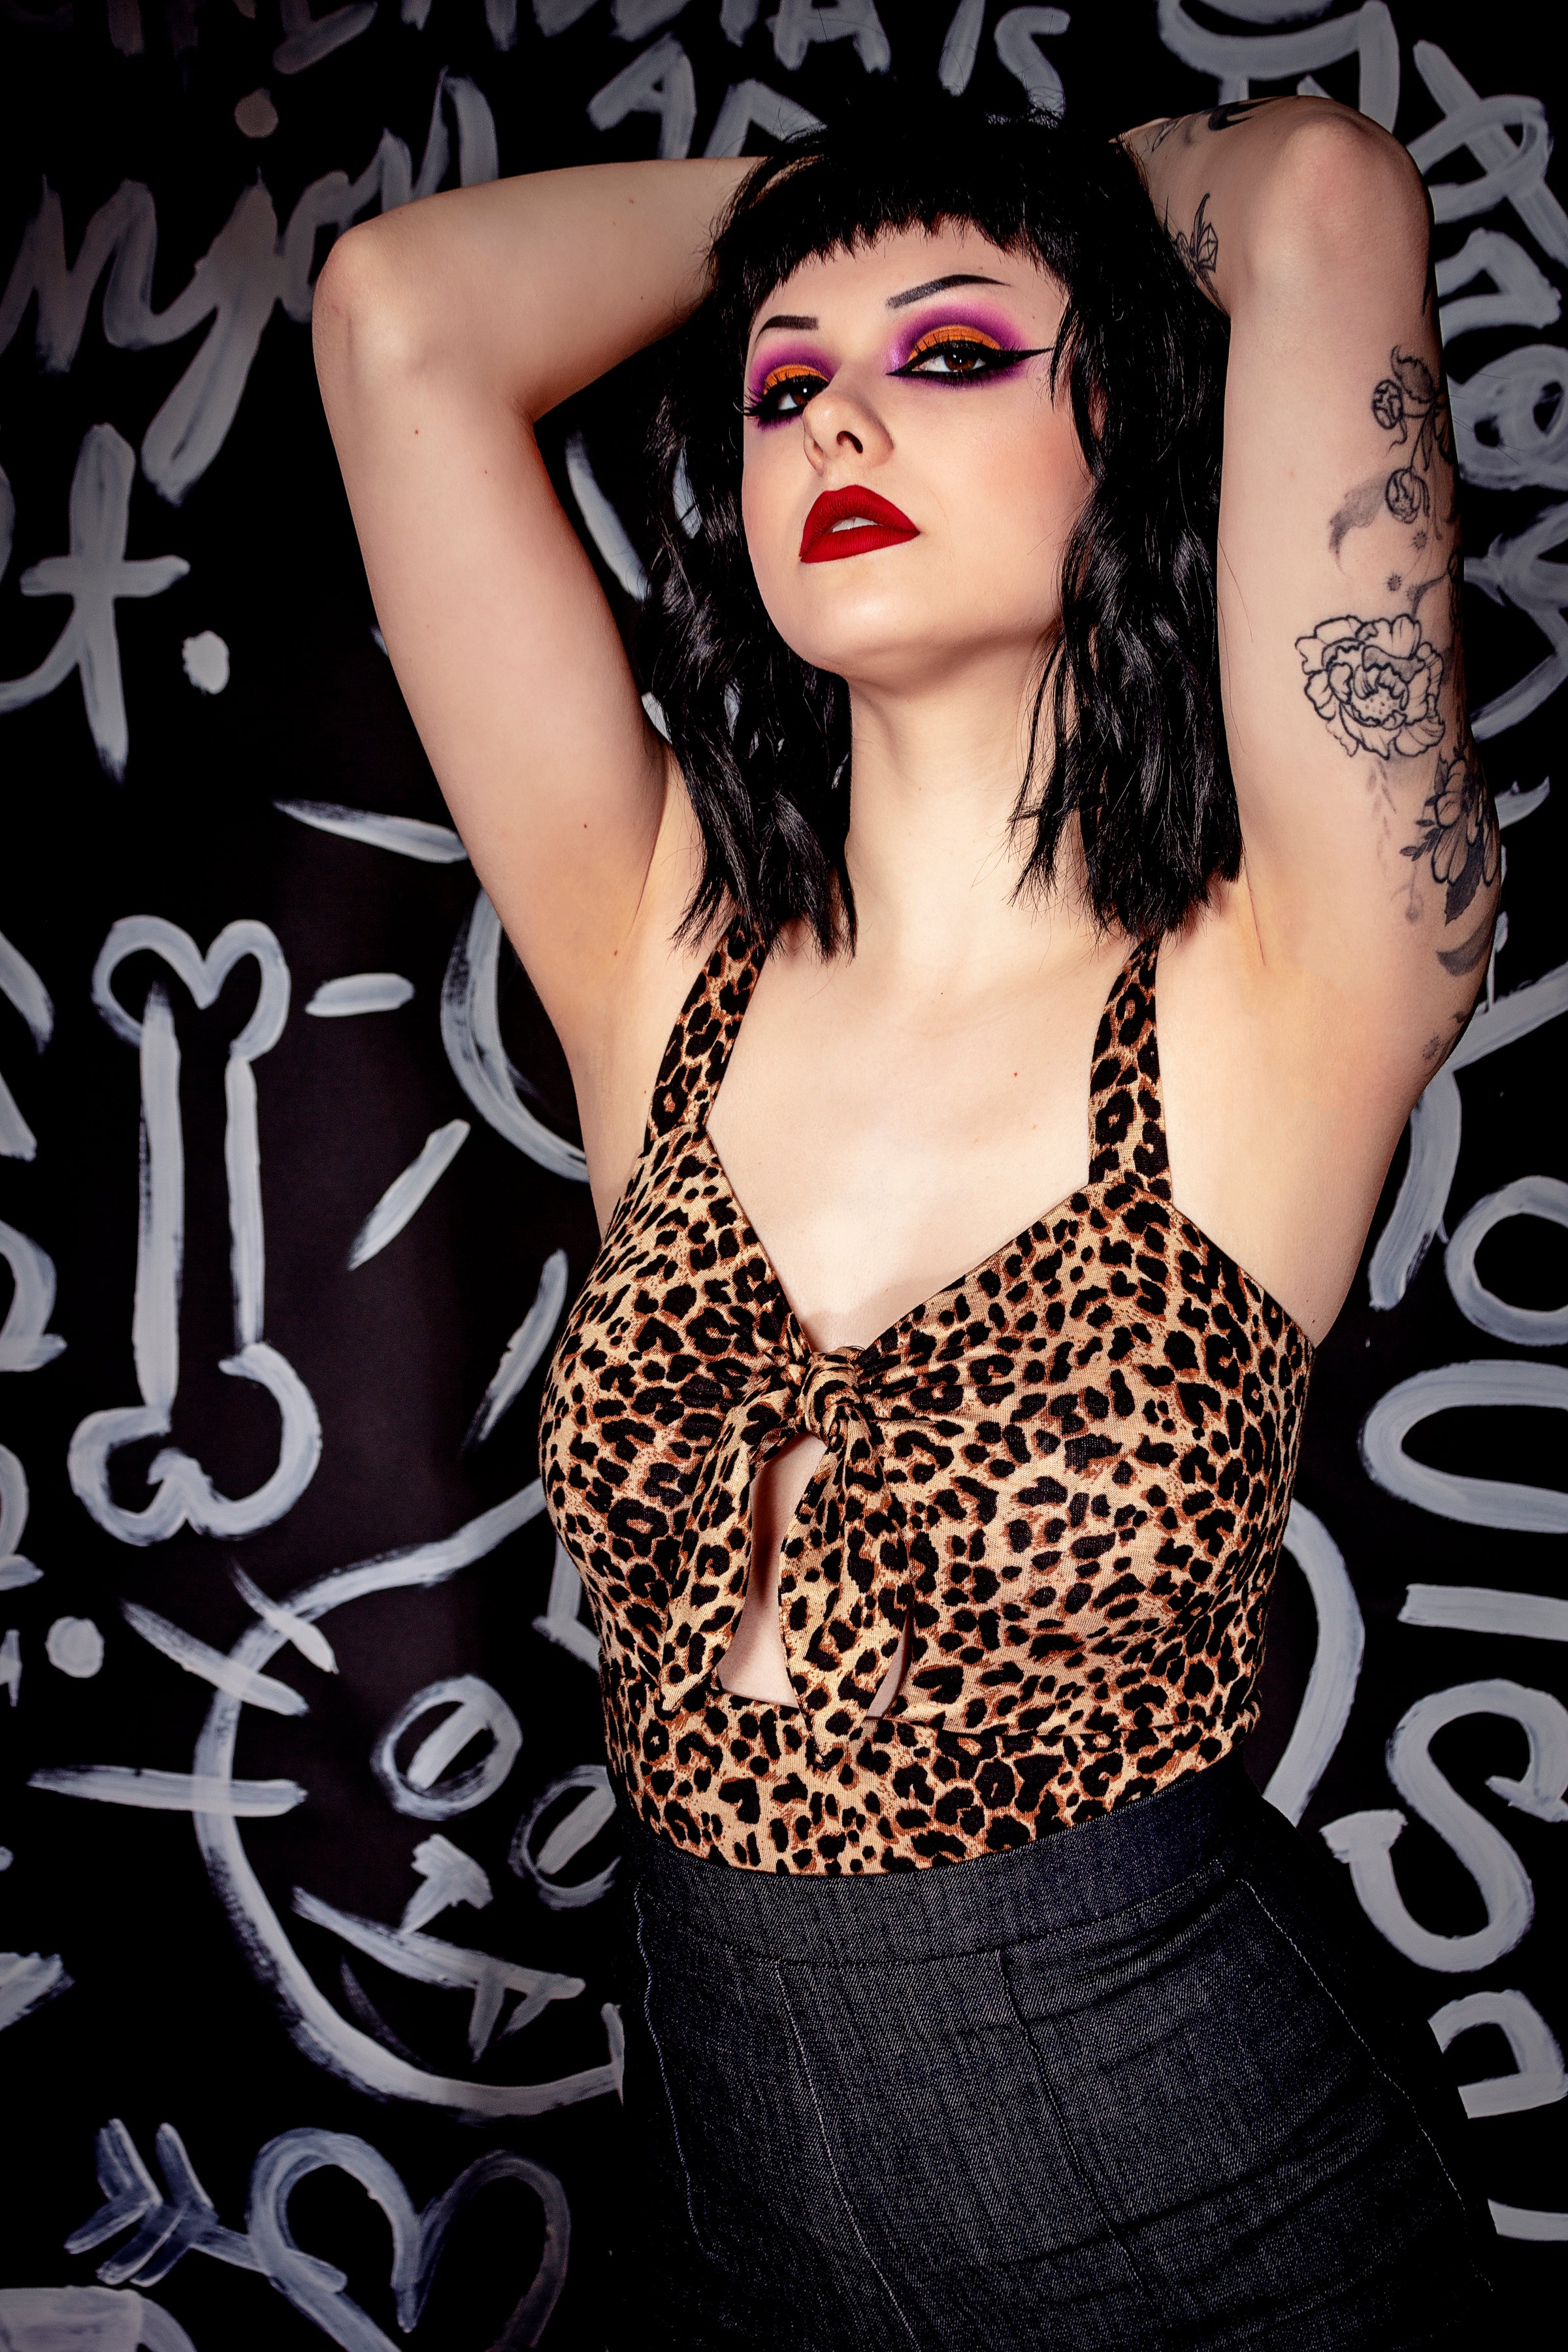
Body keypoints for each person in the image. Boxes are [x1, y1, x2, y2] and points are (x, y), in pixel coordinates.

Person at [314, 88, 1499, 2350]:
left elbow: (1322, 199)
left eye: (954, 352)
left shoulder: (1296, 974)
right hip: (739, 2240)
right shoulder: (655, 956)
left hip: (1234, 2238)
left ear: (1127, 419)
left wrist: (1033, 193)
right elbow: (399, 317)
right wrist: (861, 207)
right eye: (783, 383)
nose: (842, 413)